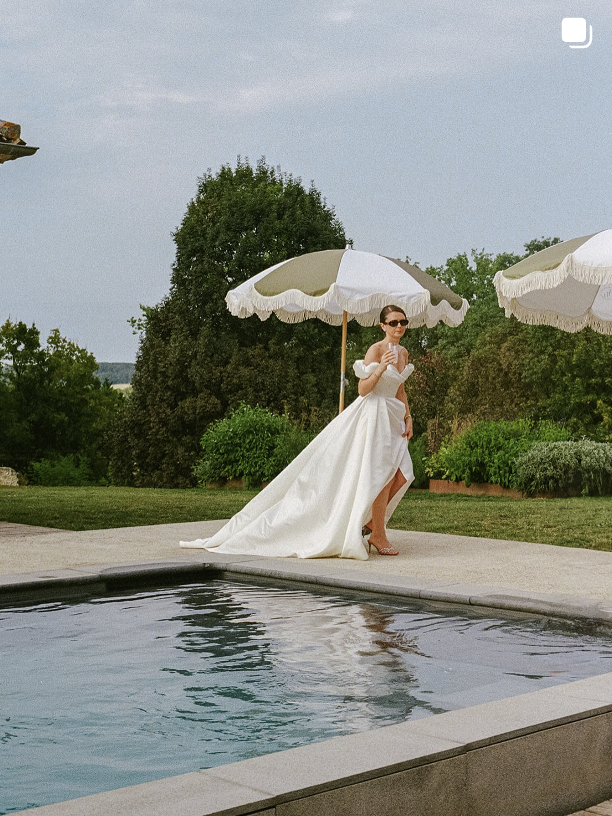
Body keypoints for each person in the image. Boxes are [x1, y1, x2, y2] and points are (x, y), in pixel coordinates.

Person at [180, 305, 414, 559]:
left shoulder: (403, 352)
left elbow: (400, 389)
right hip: (373, 416)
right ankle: (378, 533)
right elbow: (363, 390)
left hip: (394, 418)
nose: (399, 326)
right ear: (382, 326)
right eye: (393, 322)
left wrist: (408, 416)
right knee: (382, 476)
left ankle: (370, 522)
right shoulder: (376, 350)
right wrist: (380, 368)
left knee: (402, 474)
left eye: (403, 322)